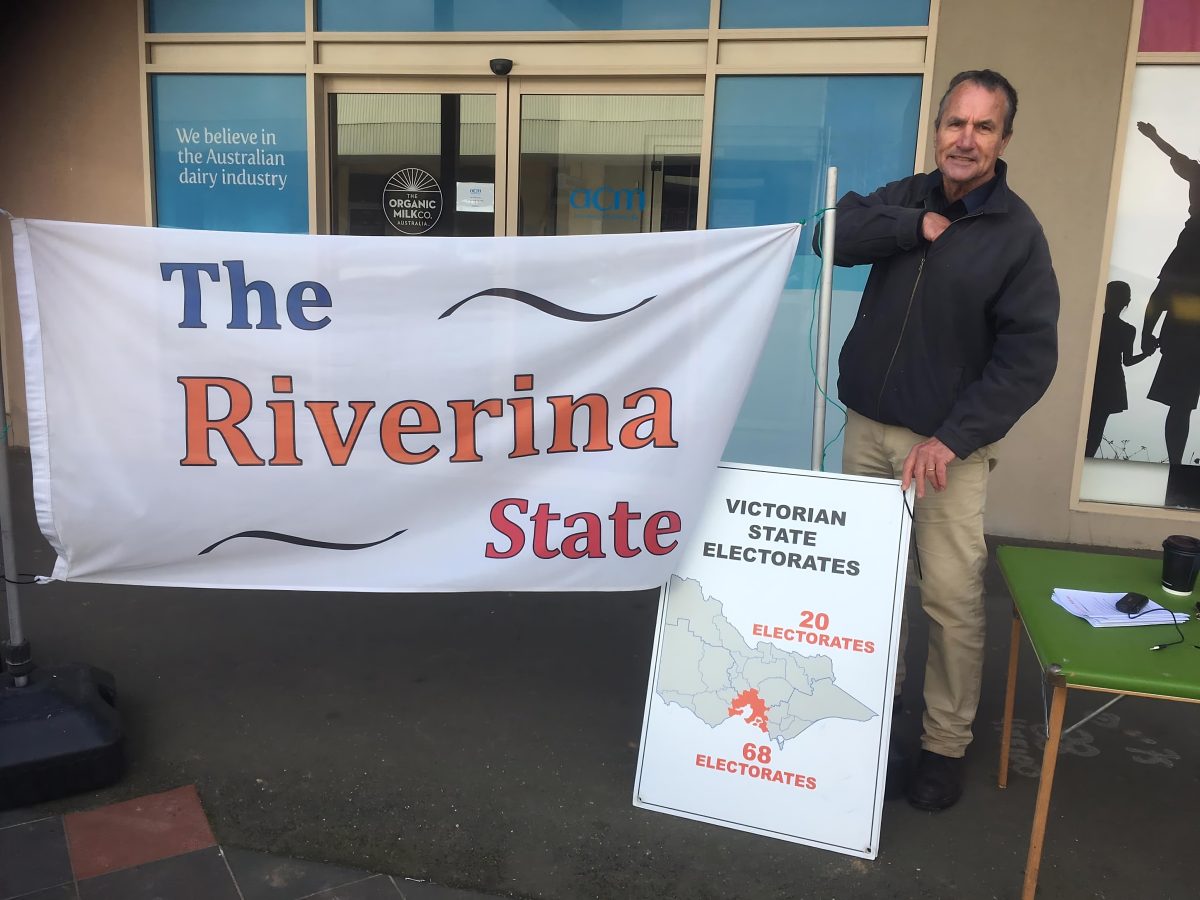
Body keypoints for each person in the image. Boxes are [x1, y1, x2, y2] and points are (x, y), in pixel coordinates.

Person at [813, 69, 1059, 811]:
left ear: (1004, 140)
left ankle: (943, 743)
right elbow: (830, 233)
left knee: (949, 598)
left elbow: (1027, 360)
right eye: (956, 123)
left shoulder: (1017, 235)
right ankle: (876, 722)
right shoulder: (906, 197)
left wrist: (951, 439)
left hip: (946, 452)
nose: (966, 139)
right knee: (870, 590)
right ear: (938, 129)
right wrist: (911, 227)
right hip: (868, 431)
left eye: (984, 128)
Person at [1136, 122, 1200, 466]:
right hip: (1185, 334)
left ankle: (1177, 466)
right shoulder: (1189, 247)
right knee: (1181, 403)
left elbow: (1161, 294)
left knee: (1181, 403)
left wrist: (1147, 333)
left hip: (1184, 333)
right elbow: (1162, 294)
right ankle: (1176, 466)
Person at [1086, 281, 1155, 458]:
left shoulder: (1092, 323)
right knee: (1096, 430)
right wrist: (1147, 354)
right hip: (1110, 383)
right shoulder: (1127, 330)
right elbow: (1129, 361)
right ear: (1127, 302)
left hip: (1092, 379)